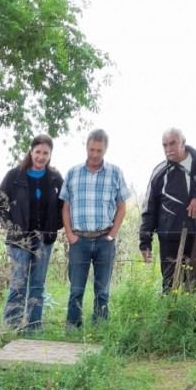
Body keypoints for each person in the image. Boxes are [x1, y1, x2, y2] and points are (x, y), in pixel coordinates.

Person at [0, 134, 64, 332]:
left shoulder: (55, 178)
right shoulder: (14, 176)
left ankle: (33, 327)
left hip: (44, 240)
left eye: (45, 153)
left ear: (50, 155)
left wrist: (54, 226)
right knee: (18, 284)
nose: (41, 157)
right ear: (31, 152)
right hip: (19, 241)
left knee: (37, 286)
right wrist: (13, 228)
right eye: (38, 152)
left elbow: (64, 206)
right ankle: (10, 327)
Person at [60, 129, 130, 330]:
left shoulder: (115, 172)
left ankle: (100, 327)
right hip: (79, 240)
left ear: (106, 149)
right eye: (92, 149)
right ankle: (73, 327)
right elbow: (65, 207)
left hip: (104, 240)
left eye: (99, 150)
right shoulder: (73, 172)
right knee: (76, 288)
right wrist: (70, 235)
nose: (95, 154)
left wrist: (112, 235)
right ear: (86, 147)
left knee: (102, 289)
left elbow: (121, 207)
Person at [139, 128, 196, 292]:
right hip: (169, 235)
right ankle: (168, 317)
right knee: (169, 284)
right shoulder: (160, 172)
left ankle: (190, 317)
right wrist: (145, 242)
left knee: (193, 284)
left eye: (172, 143)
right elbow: (149, 208)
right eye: (164, 145)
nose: (168, 149)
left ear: (183, 143)